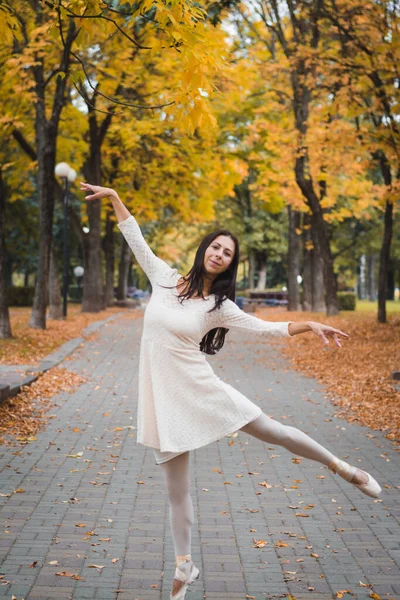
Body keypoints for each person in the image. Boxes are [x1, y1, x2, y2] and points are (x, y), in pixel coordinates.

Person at [80, 182, 382, 600]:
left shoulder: (220, 308)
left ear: (230, 264)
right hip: (164, 400)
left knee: (273, 430)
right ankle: (185, 568)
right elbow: (135, 237)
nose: (219, 254)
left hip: (202, 389)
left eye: (227, 253)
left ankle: (341, 467)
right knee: (176, 493)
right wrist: (114, 198)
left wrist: (310, 324)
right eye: (216, 246)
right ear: (205, 247)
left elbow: (268, 328)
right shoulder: (164, 279)